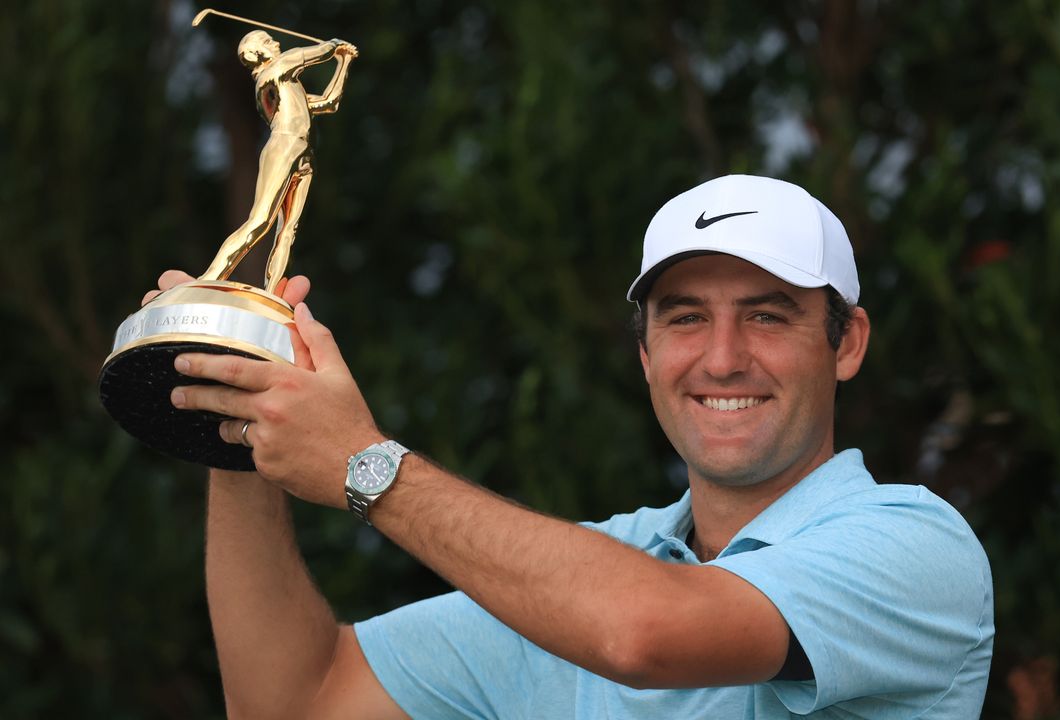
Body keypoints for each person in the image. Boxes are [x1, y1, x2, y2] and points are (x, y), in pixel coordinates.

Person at [153, 174, 994, 718]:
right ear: (646, 354)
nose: (723, 356)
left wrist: (364, 464)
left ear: (845, 344)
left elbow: (642, 634)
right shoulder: (585, 575)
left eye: (768, 315)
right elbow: (296, 703)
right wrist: (242, 419)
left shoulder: (914, 546)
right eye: (686, 317)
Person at [198, 31, 357, 291]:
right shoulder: (273, 72)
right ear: (253, 54)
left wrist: (344, 62)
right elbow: (309, 54)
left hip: (304, 152)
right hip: (283, 147)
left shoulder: (287, 83)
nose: (277, 43)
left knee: (289, 231)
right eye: (268, 41)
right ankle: (208, 280)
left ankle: (273, 296)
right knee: (260, 221)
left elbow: (330, 103)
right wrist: (335, 45)